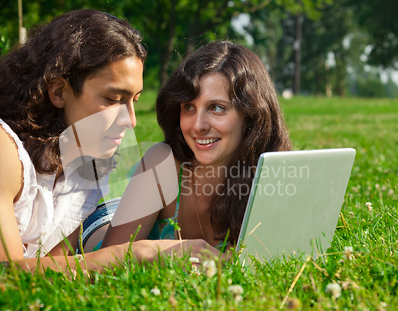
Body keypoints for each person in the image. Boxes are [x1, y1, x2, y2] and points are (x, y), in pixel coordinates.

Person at [0, 9, 218, 272]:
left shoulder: (86, 164)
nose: (130, 121)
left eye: (134, 101)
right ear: (58, 90)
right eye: (113, 99)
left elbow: (57, 272)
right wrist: (135, 254)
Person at [100, 41, 292, 251]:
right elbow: (108, 258)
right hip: (99, 223)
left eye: (217, 108)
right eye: (189, 107)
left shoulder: (271, 175)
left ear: (250, 115)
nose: (198, 125)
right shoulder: (163, 163)